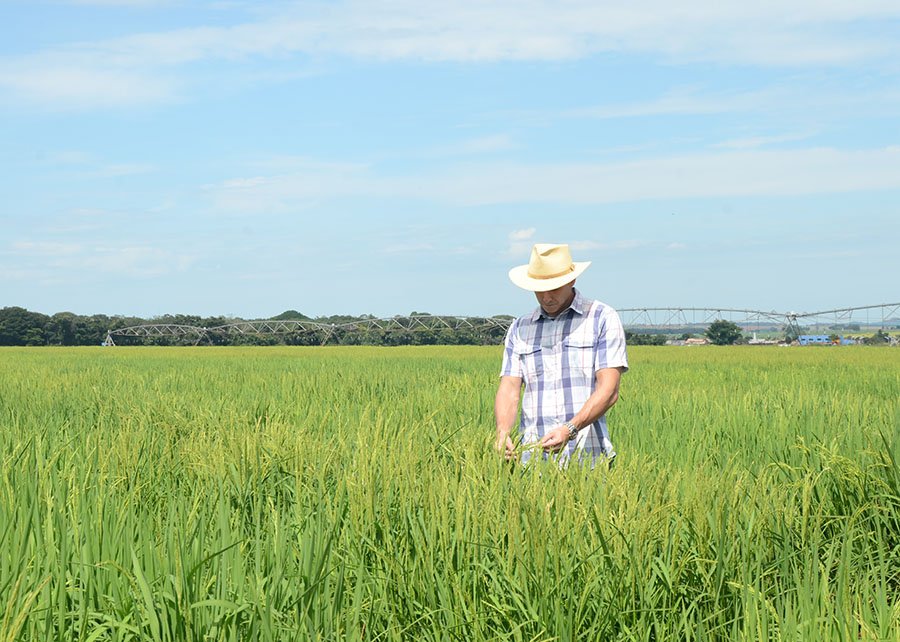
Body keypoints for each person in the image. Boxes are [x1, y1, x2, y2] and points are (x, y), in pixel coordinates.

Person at [494, 243, 628, 467]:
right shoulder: (520, 327)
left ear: (572, 280)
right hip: (531, 461)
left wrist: (570, 429)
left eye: (554, 288)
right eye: (539, 289)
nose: (546, 297)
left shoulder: (601, 318)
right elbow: (509, 387)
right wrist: (503, 432)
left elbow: (609, 390)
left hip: (588, 459)